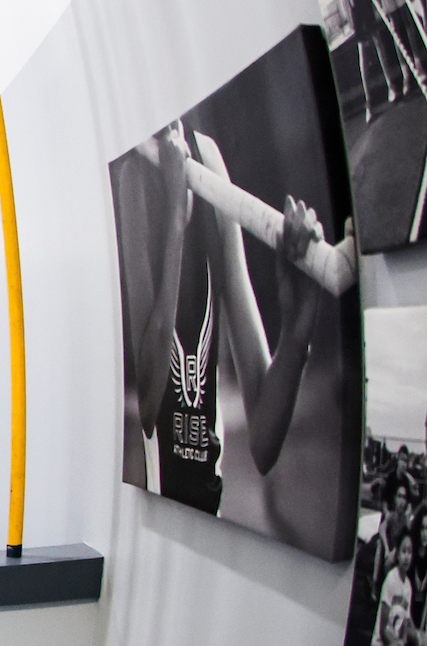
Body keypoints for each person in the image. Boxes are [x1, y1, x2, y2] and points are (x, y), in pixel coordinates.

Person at [123, 123, 330, 511]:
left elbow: (264, 442)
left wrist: (295, 333)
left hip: (209, 512)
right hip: (153, 514)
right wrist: (175, 220)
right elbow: (150, 405)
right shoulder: (132, 171)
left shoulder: (208, 159)